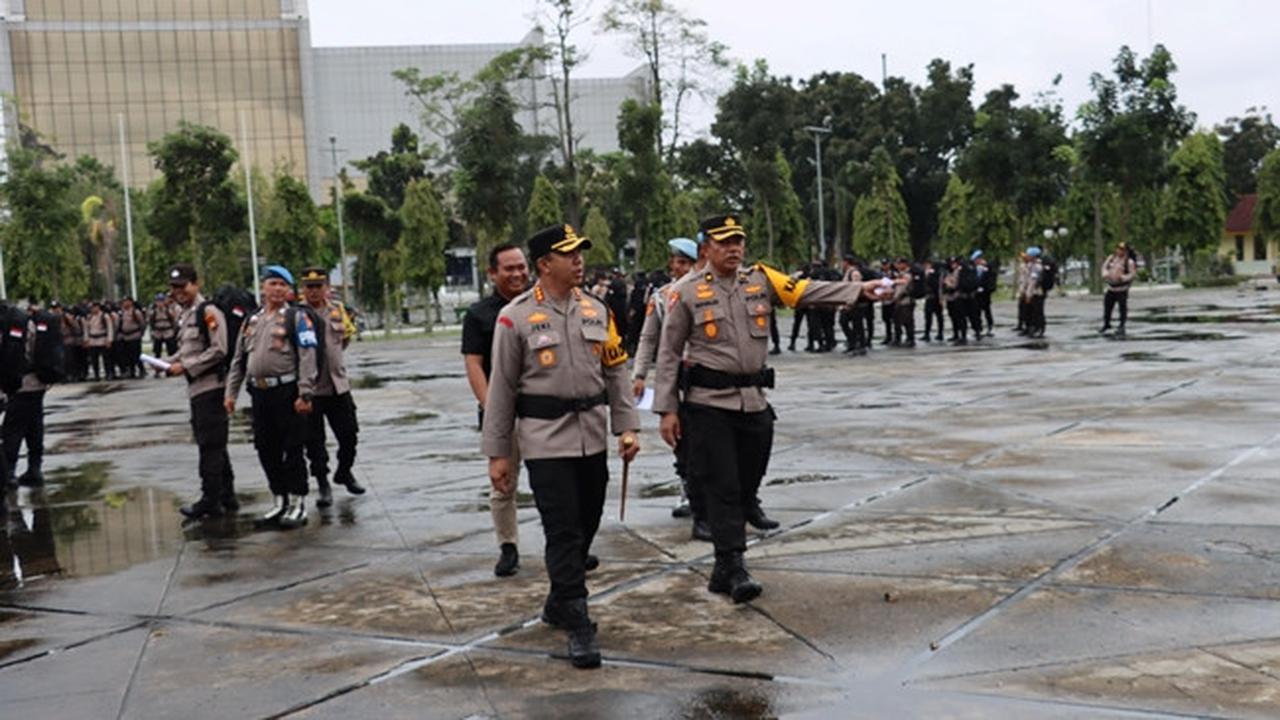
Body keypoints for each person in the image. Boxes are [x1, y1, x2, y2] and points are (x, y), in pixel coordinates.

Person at [653, 215, 884, 604]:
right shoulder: (685, 291)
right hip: (708, 405)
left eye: (739, 241)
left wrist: (860, 290)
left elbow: (807, 291)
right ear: (706, 248)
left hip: (755, 402)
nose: (734, 249)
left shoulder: (759, 280)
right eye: (724, 242)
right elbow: (668, 353)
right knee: (722, 486)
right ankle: (735, 565)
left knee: (747, 481)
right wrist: (667, 410)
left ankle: (722, 568)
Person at [481, 224, 640, 669]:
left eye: (580, 253)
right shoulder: (513, 318)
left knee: (587, 521)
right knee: (564, 529)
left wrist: (627, 427)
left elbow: (615, 373)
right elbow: (502, 391)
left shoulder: (596, 310)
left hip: (592, 436)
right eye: (568, 254)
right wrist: (498, 454)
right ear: (544, 264)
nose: (579, 260)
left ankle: (558, 599)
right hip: (545, 442)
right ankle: (578, 618)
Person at [225, 266, 319, 530]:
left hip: (287, 393)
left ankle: (298, 503)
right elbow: (239, 360)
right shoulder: (251, 320)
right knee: (266, 448)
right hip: (259, 393)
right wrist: (231, 393)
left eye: (282, 285)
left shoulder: (297, 317)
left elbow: (308, 356)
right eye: (272, 283)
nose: (277, 289)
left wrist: (305, 392)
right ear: (263, 287)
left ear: (289, 290)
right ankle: (279, 499)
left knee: (293, 449)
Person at [461, 243, 531, 577]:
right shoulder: (479, 315)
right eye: (509, 268)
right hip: (501, 412)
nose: (517, 274)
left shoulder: (539, 305)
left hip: (543, 411)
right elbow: (474, 364)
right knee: (504, 483)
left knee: (555, 482)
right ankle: (508, 546)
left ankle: (570, 546)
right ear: (492, 273)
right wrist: (493, 409)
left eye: (521, 267)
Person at [632, 238, 701, 530]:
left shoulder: (708, 292)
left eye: (686, 263)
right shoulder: (661, 297)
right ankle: (688, 492)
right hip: (675, 377)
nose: (679, 268)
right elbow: (648, 338)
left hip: (706, 375)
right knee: (680, 438)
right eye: (677, 263)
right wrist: (638, 375)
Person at [164, 263, 238, 519]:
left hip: (211, 388)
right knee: (216, 445)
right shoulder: (186, 314)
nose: (178, 291)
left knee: (209, 445)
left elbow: (219, 350)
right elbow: (188, 349)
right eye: (173, 287)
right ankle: (227, 495)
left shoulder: (208, 312)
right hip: (196, 389)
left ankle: (210, 499)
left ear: (196, 284)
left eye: (182, 286)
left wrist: (184, 366)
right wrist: (168, 362)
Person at [299, 267, 365, 509]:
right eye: (309, 286)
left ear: (326, 287)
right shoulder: (296, 313)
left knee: (349, 434)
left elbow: (345, 337)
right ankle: (323, 484)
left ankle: (344, 472)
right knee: (314, 442)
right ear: (303, 289)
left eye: (318, 286)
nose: (314, 291)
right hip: (311, 389)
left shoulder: (337, 310)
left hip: (338, 385)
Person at [1101, 243, 1137, 336]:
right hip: (1111, 288)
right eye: (1118, 249)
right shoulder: (1111, 259)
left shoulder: (1128, 262)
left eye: (1122, 250)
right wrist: (1105, 274)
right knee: (1107, 306)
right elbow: (1104, 267)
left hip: (1122, 289)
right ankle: (1106, 323)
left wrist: (1123, 277)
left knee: (1122, 307)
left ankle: (1122, 325)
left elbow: (1132, 274)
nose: (1119, 251)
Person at [148, 292, 179, 378]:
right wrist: (152, 333)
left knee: (171, 352)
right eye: (158, 301)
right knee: (157, 352)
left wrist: (174, 331)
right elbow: (151, 323)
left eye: (161, 301)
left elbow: (174, 321)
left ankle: (170, 369)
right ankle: (157, 370)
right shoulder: (153, 312)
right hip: (158, 332)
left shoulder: (168, 310)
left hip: (168, 332)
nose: (160, 303)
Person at [83, 301, 114, 380]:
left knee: (106, 358)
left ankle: (108, 373)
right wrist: (86, 340)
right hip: (93, 340)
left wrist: (109, 339)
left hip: (102, 339)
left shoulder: (104, 316)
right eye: (92, 308)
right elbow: (86, 329)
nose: (93, 309)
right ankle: (96, 374)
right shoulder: (89, 317)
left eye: (94, 307)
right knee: (94, 359)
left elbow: (109, 328)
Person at [116, 297, 146, 378]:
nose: (125, 303)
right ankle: (132, 371)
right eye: (124, 302)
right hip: (126, 337)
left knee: (137, 354)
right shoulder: (122, 312)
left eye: (127, 302)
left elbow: (142, 323)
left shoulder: (135, 312)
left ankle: (142, 369)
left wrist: (141, 333)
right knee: (128, 355)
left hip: (135, 335)